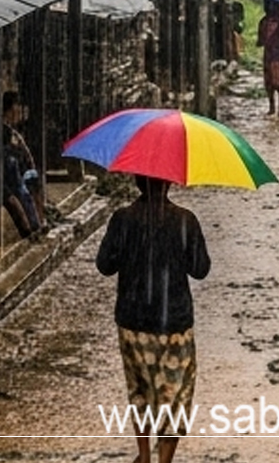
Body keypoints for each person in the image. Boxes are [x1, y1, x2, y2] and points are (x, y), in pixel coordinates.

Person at [96, 175, 211, 463]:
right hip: (173, 323)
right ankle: (164, 460)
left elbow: (105, 265)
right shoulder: (185, 221)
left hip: (132, 321)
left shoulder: (123, 219)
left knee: (141, 390)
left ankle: (144, 455)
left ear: (136, 182)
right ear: (170, 183)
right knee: (175, 397)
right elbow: (200, 269)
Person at [2, 93, 54, 232]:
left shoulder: (12, 130)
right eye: (16, 110)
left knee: (33, 179)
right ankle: (36, 222)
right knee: (27, 186)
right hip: (10, 170)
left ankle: (40, 218)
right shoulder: (4, 131)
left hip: (20, 167)